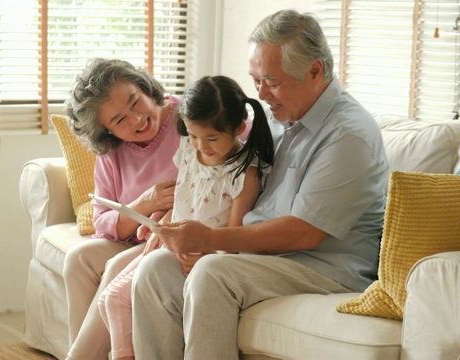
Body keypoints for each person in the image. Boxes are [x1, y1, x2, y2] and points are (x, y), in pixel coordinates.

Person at [131, 8, 390, 360]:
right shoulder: (279, 118)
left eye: (272, 81)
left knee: (213, 272)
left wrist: (211, 240)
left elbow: (304, 233)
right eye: (256, 81)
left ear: (314, 71)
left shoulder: (349, 135)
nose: (262, 94)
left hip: (323, 269)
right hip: (267, 259)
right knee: (155, 269)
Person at [97, 75, 274, 360]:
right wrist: (162, 224)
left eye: (212, 138)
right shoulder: (189, 151)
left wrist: (209, 253)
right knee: (111, 298)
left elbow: (234, 235)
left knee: (117, 299)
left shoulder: (245, 172)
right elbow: (186, 197)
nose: (202, 146)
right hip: (172, 246)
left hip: (200, 256)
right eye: (193, 136)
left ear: (240, 128)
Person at [62, 58, 181, 360]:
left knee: (115, 269)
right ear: (107, 132)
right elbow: (102, 221)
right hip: (134, 240)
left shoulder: (189, 117)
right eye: (119, 121)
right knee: (78, 258)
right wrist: (144, 203)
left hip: (169, 242)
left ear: (143, 87)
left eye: (135, 102)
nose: (137, 119)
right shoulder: (112, 153)